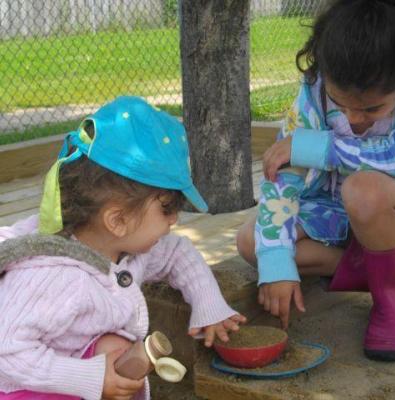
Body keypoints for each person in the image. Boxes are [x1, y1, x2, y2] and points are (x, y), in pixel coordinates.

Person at [0, 96, 246, 400]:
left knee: (116, 346)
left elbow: (176, 252)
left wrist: (208, 305)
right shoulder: (56, 277)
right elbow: (8, 352)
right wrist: (90, 378)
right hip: (21, 384)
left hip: (61, 355)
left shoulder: (122, 246)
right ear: (118, 220)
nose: (174, 220)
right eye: (167, 209)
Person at [236, 0, 395, 361]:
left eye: (372, 109)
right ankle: (372, 273)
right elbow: (285, 173)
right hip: (334, 214)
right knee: (252, 241)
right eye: (341, 104)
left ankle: (393, 306)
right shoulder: (314, 90)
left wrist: (319, 147)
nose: (354, 119)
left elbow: (393, 157)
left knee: (364, 189)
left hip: (389, 214)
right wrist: (276, 263)